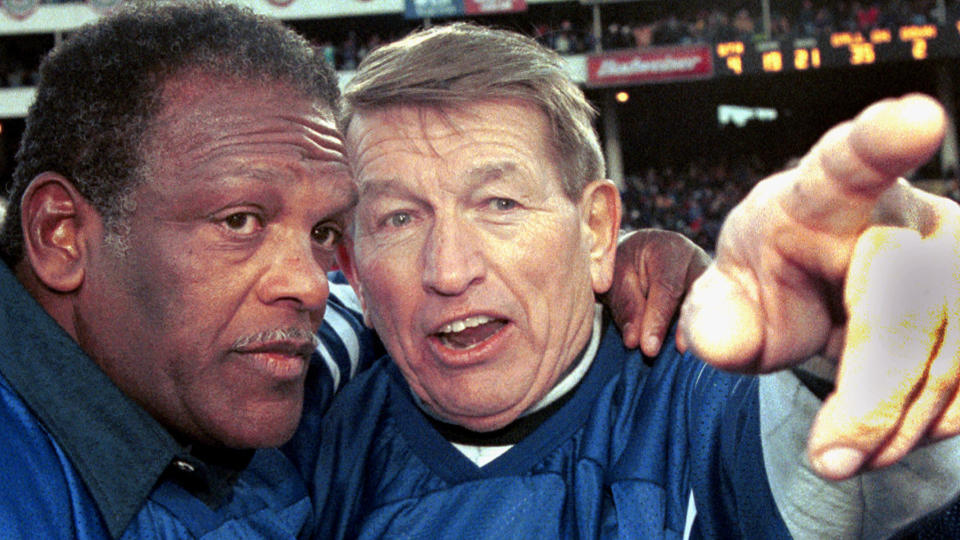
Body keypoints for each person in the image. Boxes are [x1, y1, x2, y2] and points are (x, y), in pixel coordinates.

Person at [0, 3, 710, 538]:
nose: (311, 284)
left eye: (324, 232)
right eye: (239, 220)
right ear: (61, 235)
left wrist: (607, 259)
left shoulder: (299, 356)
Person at [307, 22, 960, 539]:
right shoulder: (309, 444)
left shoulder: (696, 388)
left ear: (595, 230)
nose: (449, 269)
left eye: (500, 204)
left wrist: (839, 348)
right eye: (398, 218)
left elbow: (825, 489)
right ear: (354, 272)